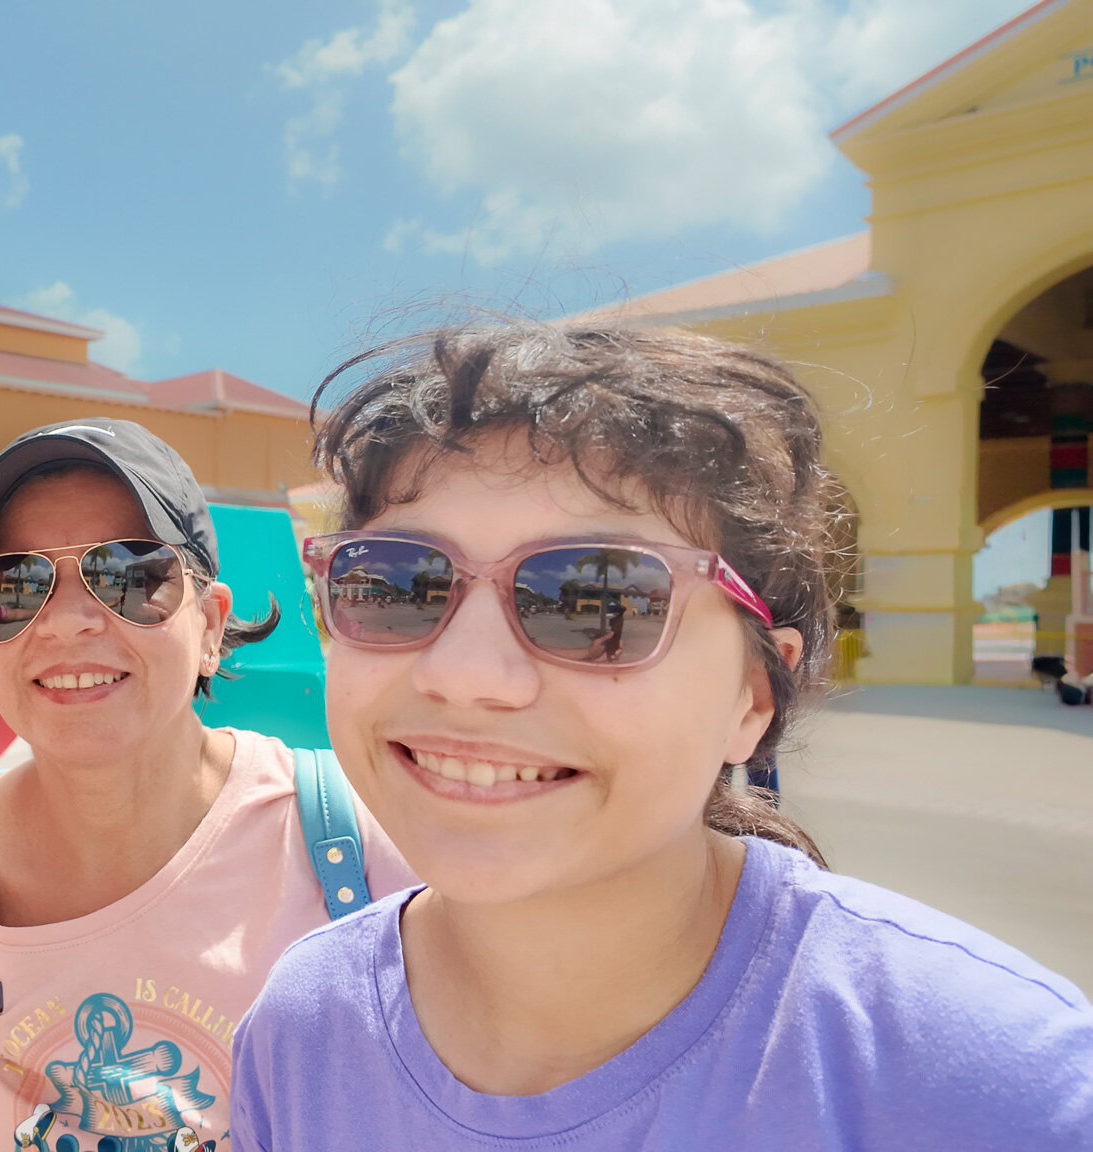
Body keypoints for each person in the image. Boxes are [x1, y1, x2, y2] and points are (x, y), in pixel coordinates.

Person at [230, 324, 1093, 1149]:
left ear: (753, 695)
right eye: (394, 583)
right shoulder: (303, 1029)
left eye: (597, 600)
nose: (463, 674)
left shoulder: (1000, 1083)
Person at [0, 418, 417, 1150]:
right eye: (16, 586)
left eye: (129, 575)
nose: (67, 622)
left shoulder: (362, 839)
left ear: (210, 624)